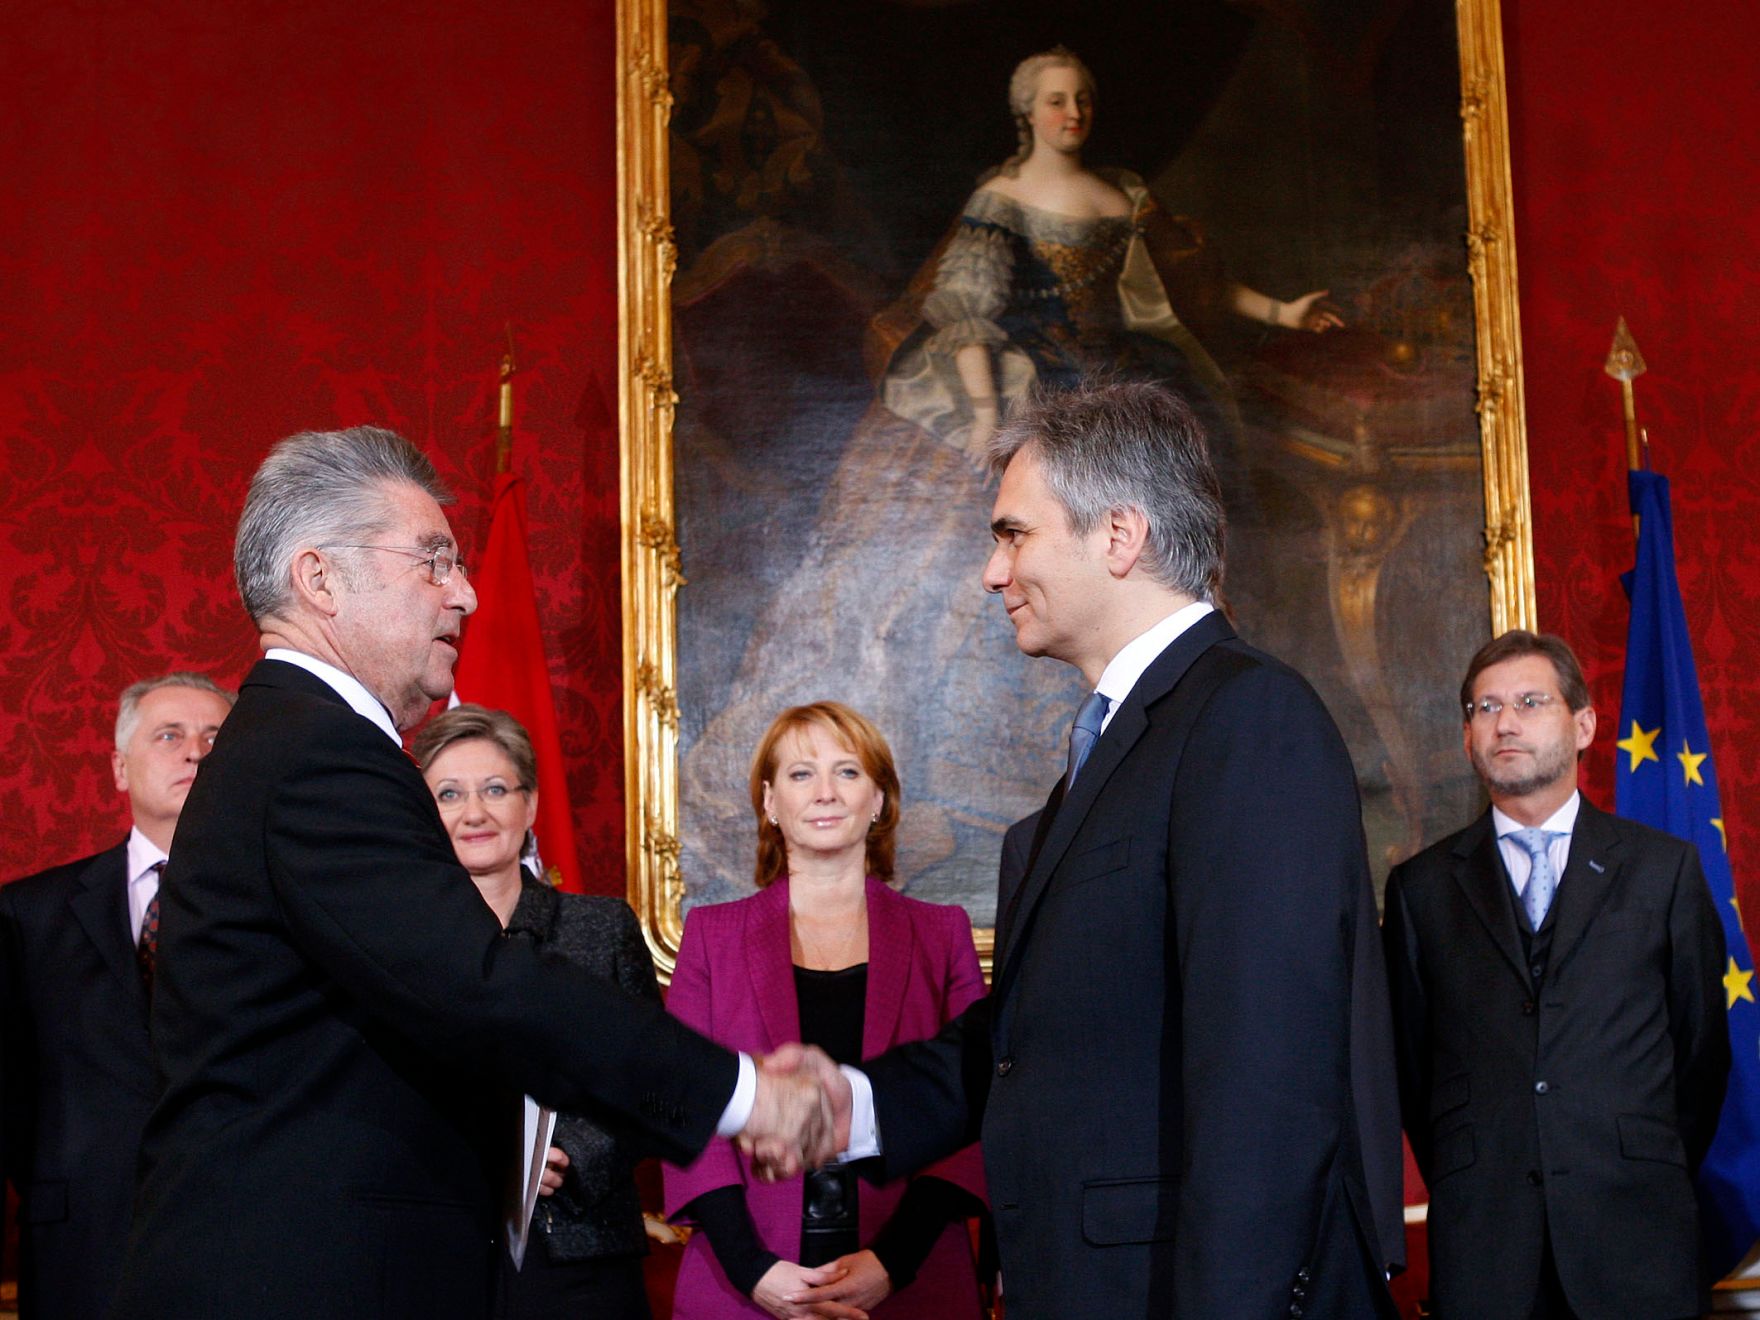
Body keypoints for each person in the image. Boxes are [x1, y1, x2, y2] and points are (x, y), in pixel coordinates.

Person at [110, 426, 838, 1320]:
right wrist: (745, 1095)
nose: (467, 590)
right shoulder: (312, 754)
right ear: (320, 579)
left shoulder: (296, 742)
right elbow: (478, 986)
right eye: (432, 561)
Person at [784, 380, 1402, 1318]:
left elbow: (1267, 1079)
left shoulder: (1245, 719)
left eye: (1013, 534)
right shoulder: (1114, 753)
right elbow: (1029, 1041)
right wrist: (849, 1106)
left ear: (1119, 535)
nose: (992, 574)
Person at [679, 47, 1341, 915]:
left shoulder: (1125, 195)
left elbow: (1195, 288)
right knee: (958, 548)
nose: (1075, 113)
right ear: (1027, 112)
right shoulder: (1002, 201)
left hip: (1119, 381)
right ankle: (988, 774)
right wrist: (990, 419)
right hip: (1021, 385)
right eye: (1057, 100)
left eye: (1084, 98)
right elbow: (967, 313)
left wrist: (1283, 312)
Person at [1382, 630, 1729, 1319]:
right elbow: (1414, 1074)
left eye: (1529, 702)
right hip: (1487, 1251)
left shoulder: (1664, 871)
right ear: (1466, 737)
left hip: (1636, 1240)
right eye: (1484, 708)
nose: (1504, 722)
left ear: (1584, 725)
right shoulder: (1419, 890)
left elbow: (1701, 1057)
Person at [666, 703, 988, 1320]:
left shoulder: (942, 933)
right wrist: (751, 1269)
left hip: (909, 1274)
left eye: (847, 772)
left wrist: (893, 1261)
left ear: (878, 800)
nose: (824, 793)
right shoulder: (711, 935)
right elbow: (682, 1105)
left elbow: (978, 1101)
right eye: (799, 774)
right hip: (746, 1279)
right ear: (769, 802)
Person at [412, 703, 658, 1320]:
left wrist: (567, 1158)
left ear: (531, 806)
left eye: (496, 789)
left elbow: (654, 1083)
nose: (474, 813)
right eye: (448, 794)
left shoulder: (600, 929)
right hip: (435, 1246)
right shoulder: (396, 943)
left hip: (579, 1249)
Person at [0, 673, 233, 1320]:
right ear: (120, 768)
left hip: (247, 1243)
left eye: (216, 738)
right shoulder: (29, 914)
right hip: (84, 1245)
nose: (195, 751)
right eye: (170, 735)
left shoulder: (291, 910)